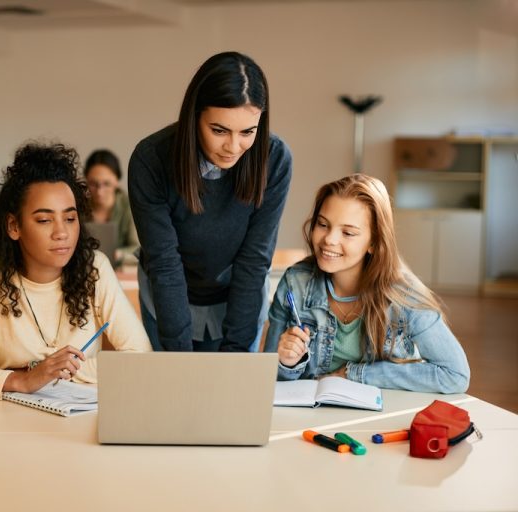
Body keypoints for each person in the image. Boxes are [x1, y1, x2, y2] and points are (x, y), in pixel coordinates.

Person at [0, 142, 150, 399]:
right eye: (45, 220)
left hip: (76, 420)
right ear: (14, 226)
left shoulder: (94, 269)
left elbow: (140, 358)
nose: (62, 233)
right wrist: (21, 380)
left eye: (70, 218)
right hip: (5, 423)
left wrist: (50, 372)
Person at [128, 51, 292, 352]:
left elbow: (254, 261)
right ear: (194, 117)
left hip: (238, 297)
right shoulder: (151, 159)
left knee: (231, 388)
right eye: (219, 130)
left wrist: (236, 355)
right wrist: (180, 361)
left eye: (247, 132)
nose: (232, 147)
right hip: (168, 297)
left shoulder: (275, 159)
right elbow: (165, 264)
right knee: (177, 389)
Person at [263, 174, 470, 393]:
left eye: (348, 232)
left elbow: (455, 375)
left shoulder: (404, 294)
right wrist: (287, 363)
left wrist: (353, 374)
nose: (329, 240)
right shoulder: (296, 282)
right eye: (323, 224)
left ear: (374, 241)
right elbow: (268, 378)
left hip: (381, 415)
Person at [83, 149, 139, 266]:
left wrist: (118, 254)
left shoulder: (130, 206)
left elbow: (137, 247)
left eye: (106, 184)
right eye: (93, 184)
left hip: (120, 270)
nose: (99, 191)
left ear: (117, 181)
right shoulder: (78, 206)